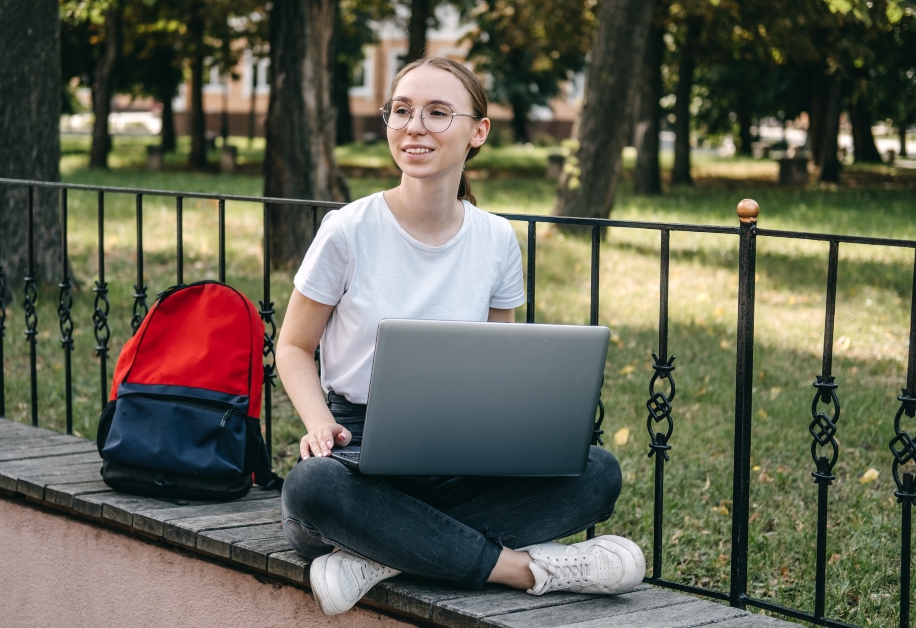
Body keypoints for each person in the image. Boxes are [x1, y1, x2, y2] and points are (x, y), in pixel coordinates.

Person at [276, 57, 644, 617]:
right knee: (310, 490)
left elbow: (498, 371)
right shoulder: (348, 230)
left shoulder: (496, 240)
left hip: (461, 452)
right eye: (402, 110)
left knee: (598, 474)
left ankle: (380, 556)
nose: (414, 127)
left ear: (478, 131)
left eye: (437, 112)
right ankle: (529, 571)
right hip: (358, 452)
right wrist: (318, 422)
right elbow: (294, 346)